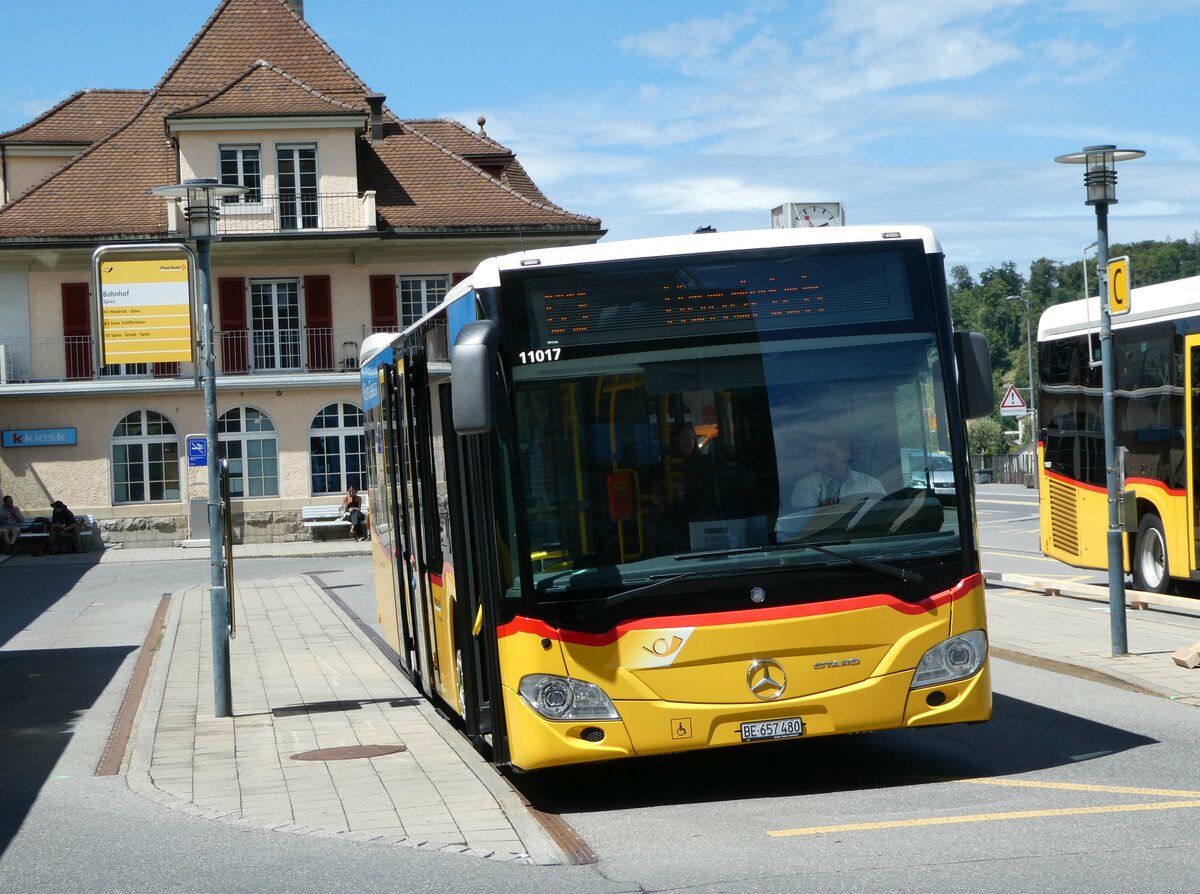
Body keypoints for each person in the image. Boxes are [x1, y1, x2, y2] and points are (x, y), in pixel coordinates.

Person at [791, 431, 886, 510]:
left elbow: (885, 518)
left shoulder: (871, 486)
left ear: (846, 455)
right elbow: (805, 525)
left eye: (830, 455)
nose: (823, 461)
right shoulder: (806, 489)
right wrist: (821, 512)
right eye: (819, 455)